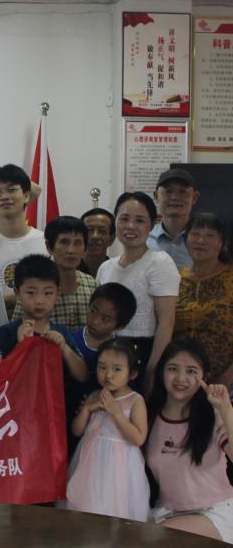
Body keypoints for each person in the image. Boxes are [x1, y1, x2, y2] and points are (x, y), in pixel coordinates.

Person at [146, 339, 233, 543]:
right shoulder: (148, 415)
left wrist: (225, 408)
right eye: (173, 369)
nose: (181, 378)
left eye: (192, 371)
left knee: (158, 538)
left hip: (214, 512)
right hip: (166, 511)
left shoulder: (214, 415)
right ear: (161, 372)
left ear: (205, 377)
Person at [97, 192, 180, 394]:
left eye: (140, 220)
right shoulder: (106, 267)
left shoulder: (159, 262)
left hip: (144, 353)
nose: (131, 226)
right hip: (108, 355)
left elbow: (166, 323)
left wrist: (152, 370)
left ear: (151, 225)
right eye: (124, 219)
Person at [0, 255, 89, 415]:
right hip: (16, 414)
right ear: (17, 292)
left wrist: (64, 348)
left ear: (58, 294)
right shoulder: (7, 333)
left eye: (48, 293)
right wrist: (20, 346)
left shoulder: (62, 333)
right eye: (31, 292)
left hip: (56, 415)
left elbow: (83, 375)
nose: (39, 300)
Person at [66, 338, 150, 522]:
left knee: (114, 510)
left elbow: (138, 438)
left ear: (133, 373)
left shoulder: (135, 400)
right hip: (90, 465)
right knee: (87, 509)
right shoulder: (94, 396)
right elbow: (77, 431)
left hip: (118, 468)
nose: (108, 375)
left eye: (117, 369)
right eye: (102, 367)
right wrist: (86, 410)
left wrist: (117, 413)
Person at [0, 164, 48, 314]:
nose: (4, 197)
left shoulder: (46, 243)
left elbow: (49, 294)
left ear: (26, 195)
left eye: (12, 190)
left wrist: (1, 300)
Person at [175, 212, 233, 387]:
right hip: (180, 380)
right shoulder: (175, 277)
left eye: (210, 236)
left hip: (225, 381)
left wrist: (228, 378)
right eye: (195, 234)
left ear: (222, 243)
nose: (201, 241)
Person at [32, 215, 97, 332]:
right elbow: (18, 331)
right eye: (64, 242)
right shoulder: (33, 286)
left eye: (78, 243)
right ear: (49, 247)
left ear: (85, 248)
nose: (71, 250)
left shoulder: (93, 285)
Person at [73, 283, 138, 372]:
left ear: (119, 327)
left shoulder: (123, 351)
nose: (95, 321)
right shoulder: (70, 341)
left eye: (105, 319)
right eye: (93, 311)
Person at [149, 169, 200, 268]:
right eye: (168, 191)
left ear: (194, 197)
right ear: (156, 196)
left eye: (182, 191)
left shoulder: (205, 241)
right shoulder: (144, 240)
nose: (175, 197)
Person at [79, 208, 116, 278]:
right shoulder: (69, 270)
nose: (95, 236)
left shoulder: (117, 272)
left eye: (102, 231)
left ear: (112, 239)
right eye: (89, 230)